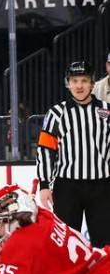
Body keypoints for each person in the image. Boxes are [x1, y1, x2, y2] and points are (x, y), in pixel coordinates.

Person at [37, 61, 110, 247]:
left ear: (92, 83)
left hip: (102, 186)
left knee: (105, 241)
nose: (79, 85)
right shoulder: (56, 113)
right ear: (67, 83)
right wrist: (44, 185)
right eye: (74, 80)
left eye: (84, 80)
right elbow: (46, 150)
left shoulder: (106, 111)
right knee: (67, 243)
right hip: (67, 187)